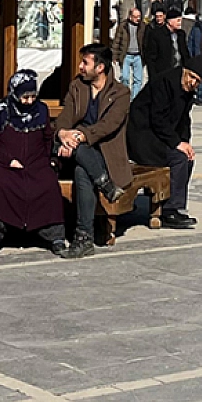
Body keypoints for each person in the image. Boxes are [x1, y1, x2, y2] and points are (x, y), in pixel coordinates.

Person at [0, 69, 68, 258]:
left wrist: (49, 160)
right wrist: (9, 160)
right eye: (25, 97)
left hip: (35, 162)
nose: (29, 101)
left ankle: (55, 236)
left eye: (33, 96)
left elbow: (47, 138)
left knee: (48, 183)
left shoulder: (41, 110)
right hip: (3, 162)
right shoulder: (0, 111)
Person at [55, 44, 132, 259]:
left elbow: (109, 125)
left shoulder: (121, 93)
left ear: (100, 68)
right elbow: (66, 115)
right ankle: (105, 185)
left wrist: (81, 136)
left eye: (85, 63)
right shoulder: (77, 86)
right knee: (82, 164)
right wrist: (63, 134)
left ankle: (84, 238)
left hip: (106, 154)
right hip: (77, 149)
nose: (80, 67)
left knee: (82, 171)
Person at [128, 56, 202, 230]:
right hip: (143, 136)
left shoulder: (187, 91)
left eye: (198, 81)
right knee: (178, 158)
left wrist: (185, 142)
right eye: (192, 77)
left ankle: (171, 203)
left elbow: (184, 120)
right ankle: (170, 210)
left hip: (160, 136)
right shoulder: (164, 82)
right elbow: (158, 119)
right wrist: (176, 143)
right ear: (185, 71)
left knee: (187, 158)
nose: (193, 83)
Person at [142, 8, 185, 81]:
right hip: (163, 73)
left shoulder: (181, 34)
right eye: (178, 20)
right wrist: (153, 77)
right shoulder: (156, 34)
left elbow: (185, 53)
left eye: (180, 20)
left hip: (179, 72)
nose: (180, 23)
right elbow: (151, 58)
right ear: (170, 21)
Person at [114, 8, 148, 97]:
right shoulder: (123, 26)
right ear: (130, 17)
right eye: (135, 17)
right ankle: (125, 96)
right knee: (124, 77)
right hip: (126, 55)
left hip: (138, 56)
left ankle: (134, 98)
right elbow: (117, 41)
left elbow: (146, 41)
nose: (138, 19)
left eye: (139, 16)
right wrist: (115, 56)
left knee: (138, 80)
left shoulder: (143, 26)